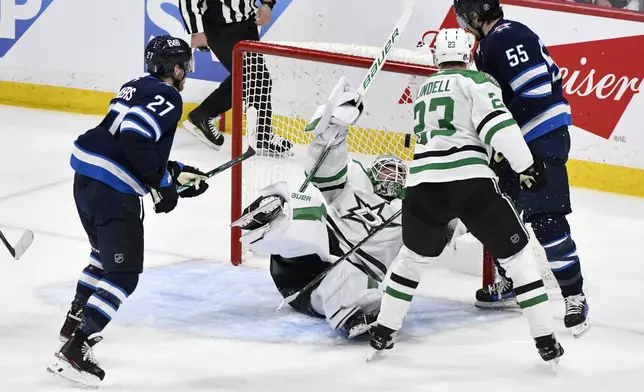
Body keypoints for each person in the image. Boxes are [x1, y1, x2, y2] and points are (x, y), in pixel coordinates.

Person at [369, 28, 563, 364]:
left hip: (423, 185)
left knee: (411, 260)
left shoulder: (423, 90)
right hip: (470, 182)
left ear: (437, 57)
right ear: (468, 54)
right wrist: (526, 165)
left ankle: (384, 331)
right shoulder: (476, 81)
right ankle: (545, 339)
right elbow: (496, 126)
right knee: (518, 258)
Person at [236, 77, 473, 337]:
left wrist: (459, 197)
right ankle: (268, 220)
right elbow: (325, 170)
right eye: (387, 171)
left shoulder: (411, 212)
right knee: (308, 207)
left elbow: (447, 231)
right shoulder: (355, 179)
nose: (392, 177)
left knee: (352, 276)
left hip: (322, 287)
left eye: (397, 174)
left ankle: (357, 313)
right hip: (304, 260)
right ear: (374, 172)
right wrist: (333, 130)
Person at [46, 35, 210, 388]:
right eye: (186, 66)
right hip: (112, 189)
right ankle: (77, 348)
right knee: (124, 274)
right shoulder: (170, 95)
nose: (187, 74)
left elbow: (125, 137)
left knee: (102, 258)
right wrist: (163, 185)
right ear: (176, 68)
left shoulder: (136, 85)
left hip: (85, 177)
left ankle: (74, 321)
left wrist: (172, 171)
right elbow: (135, 138)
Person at [454, 0, 590, 338]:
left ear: (474, 14)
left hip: (540, 137)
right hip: (516, 142)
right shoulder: (490, 43)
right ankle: (513, 282)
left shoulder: (506, 37)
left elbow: (536, 90)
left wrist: (502, 131)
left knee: (546, 219)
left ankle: (574, 296)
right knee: (496, 215)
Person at [178, 0, 293, 154]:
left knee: (255, 77)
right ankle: (260, 134)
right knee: (252, 76)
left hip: (247, 23)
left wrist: (267, 4)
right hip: (220, 27)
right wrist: (197, 30)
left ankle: (204, 115)